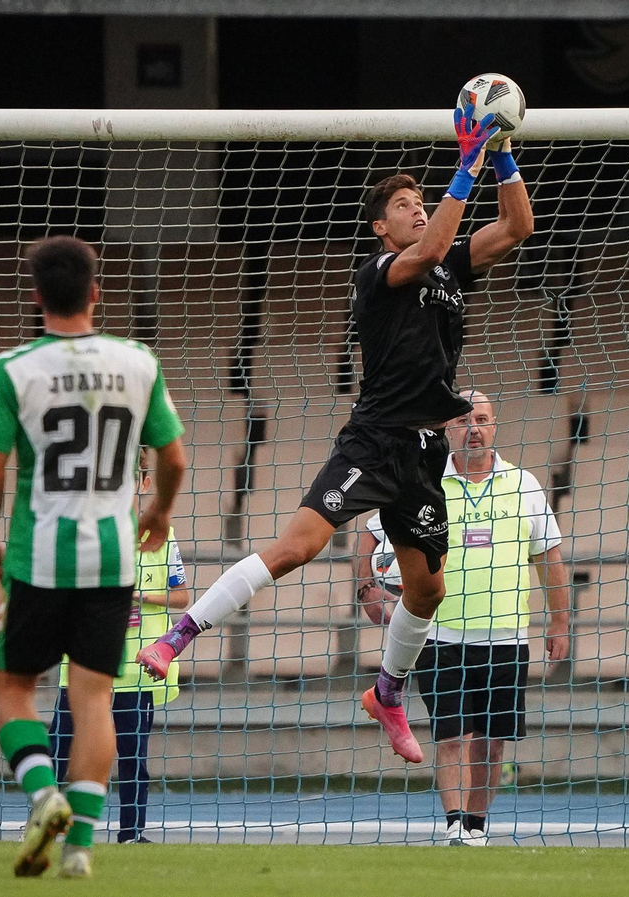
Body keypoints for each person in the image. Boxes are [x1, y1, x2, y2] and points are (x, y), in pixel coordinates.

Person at [137, 102, 534, 766]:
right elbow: (433, 243)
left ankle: (386, 691)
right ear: (381, 226)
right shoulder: (380, 273)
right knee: (296, 547)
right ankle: (176, 637)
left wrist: (499, 152)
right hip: (374, 438)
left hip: (422, 450)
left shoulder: (446, 269)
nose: (415, 208)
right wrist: (465, 160)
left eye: (418, 199)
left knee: (427, 590)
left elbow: (518, 223)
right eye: (404, 203)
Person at [0, 236, 187, 879]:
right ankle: (81, 847)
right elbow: (173, 459)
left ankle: (46, 796)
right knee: (95, 699)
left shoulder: (12, 369)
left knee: (12, 686)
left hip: (38, 558)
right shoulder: (138, 362)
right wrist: (161, 511)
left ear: (36, 297)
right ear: (97, 292)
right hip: (114, 560)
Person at [353, 390, 569, 846]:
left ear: (495, 426)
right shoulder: (424, 480)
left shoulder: (524, 484)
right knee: (449, 736)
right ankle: (454, 823)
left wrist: (560, 621)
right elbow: (371, 535)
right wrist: (367, 587)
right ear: (447, 429)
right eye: (464, 421)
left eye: (483, 419)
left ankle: (476, 825)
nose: (474, 428)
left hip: (507, 636)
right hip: (439, 634)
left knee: (490, 742)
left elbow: (550, 557)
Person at [49, 451, 191, 844]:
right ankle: (48, 823)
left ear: (144, 485)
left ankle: (131, 833)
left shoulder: (161, 534)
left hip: (135, 668)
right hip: (82, 664)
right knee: (60, 750)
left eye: (130, 480)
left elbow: (184, 597)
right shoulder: (80, 533)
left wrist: (142, 595)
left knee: (132, 758)